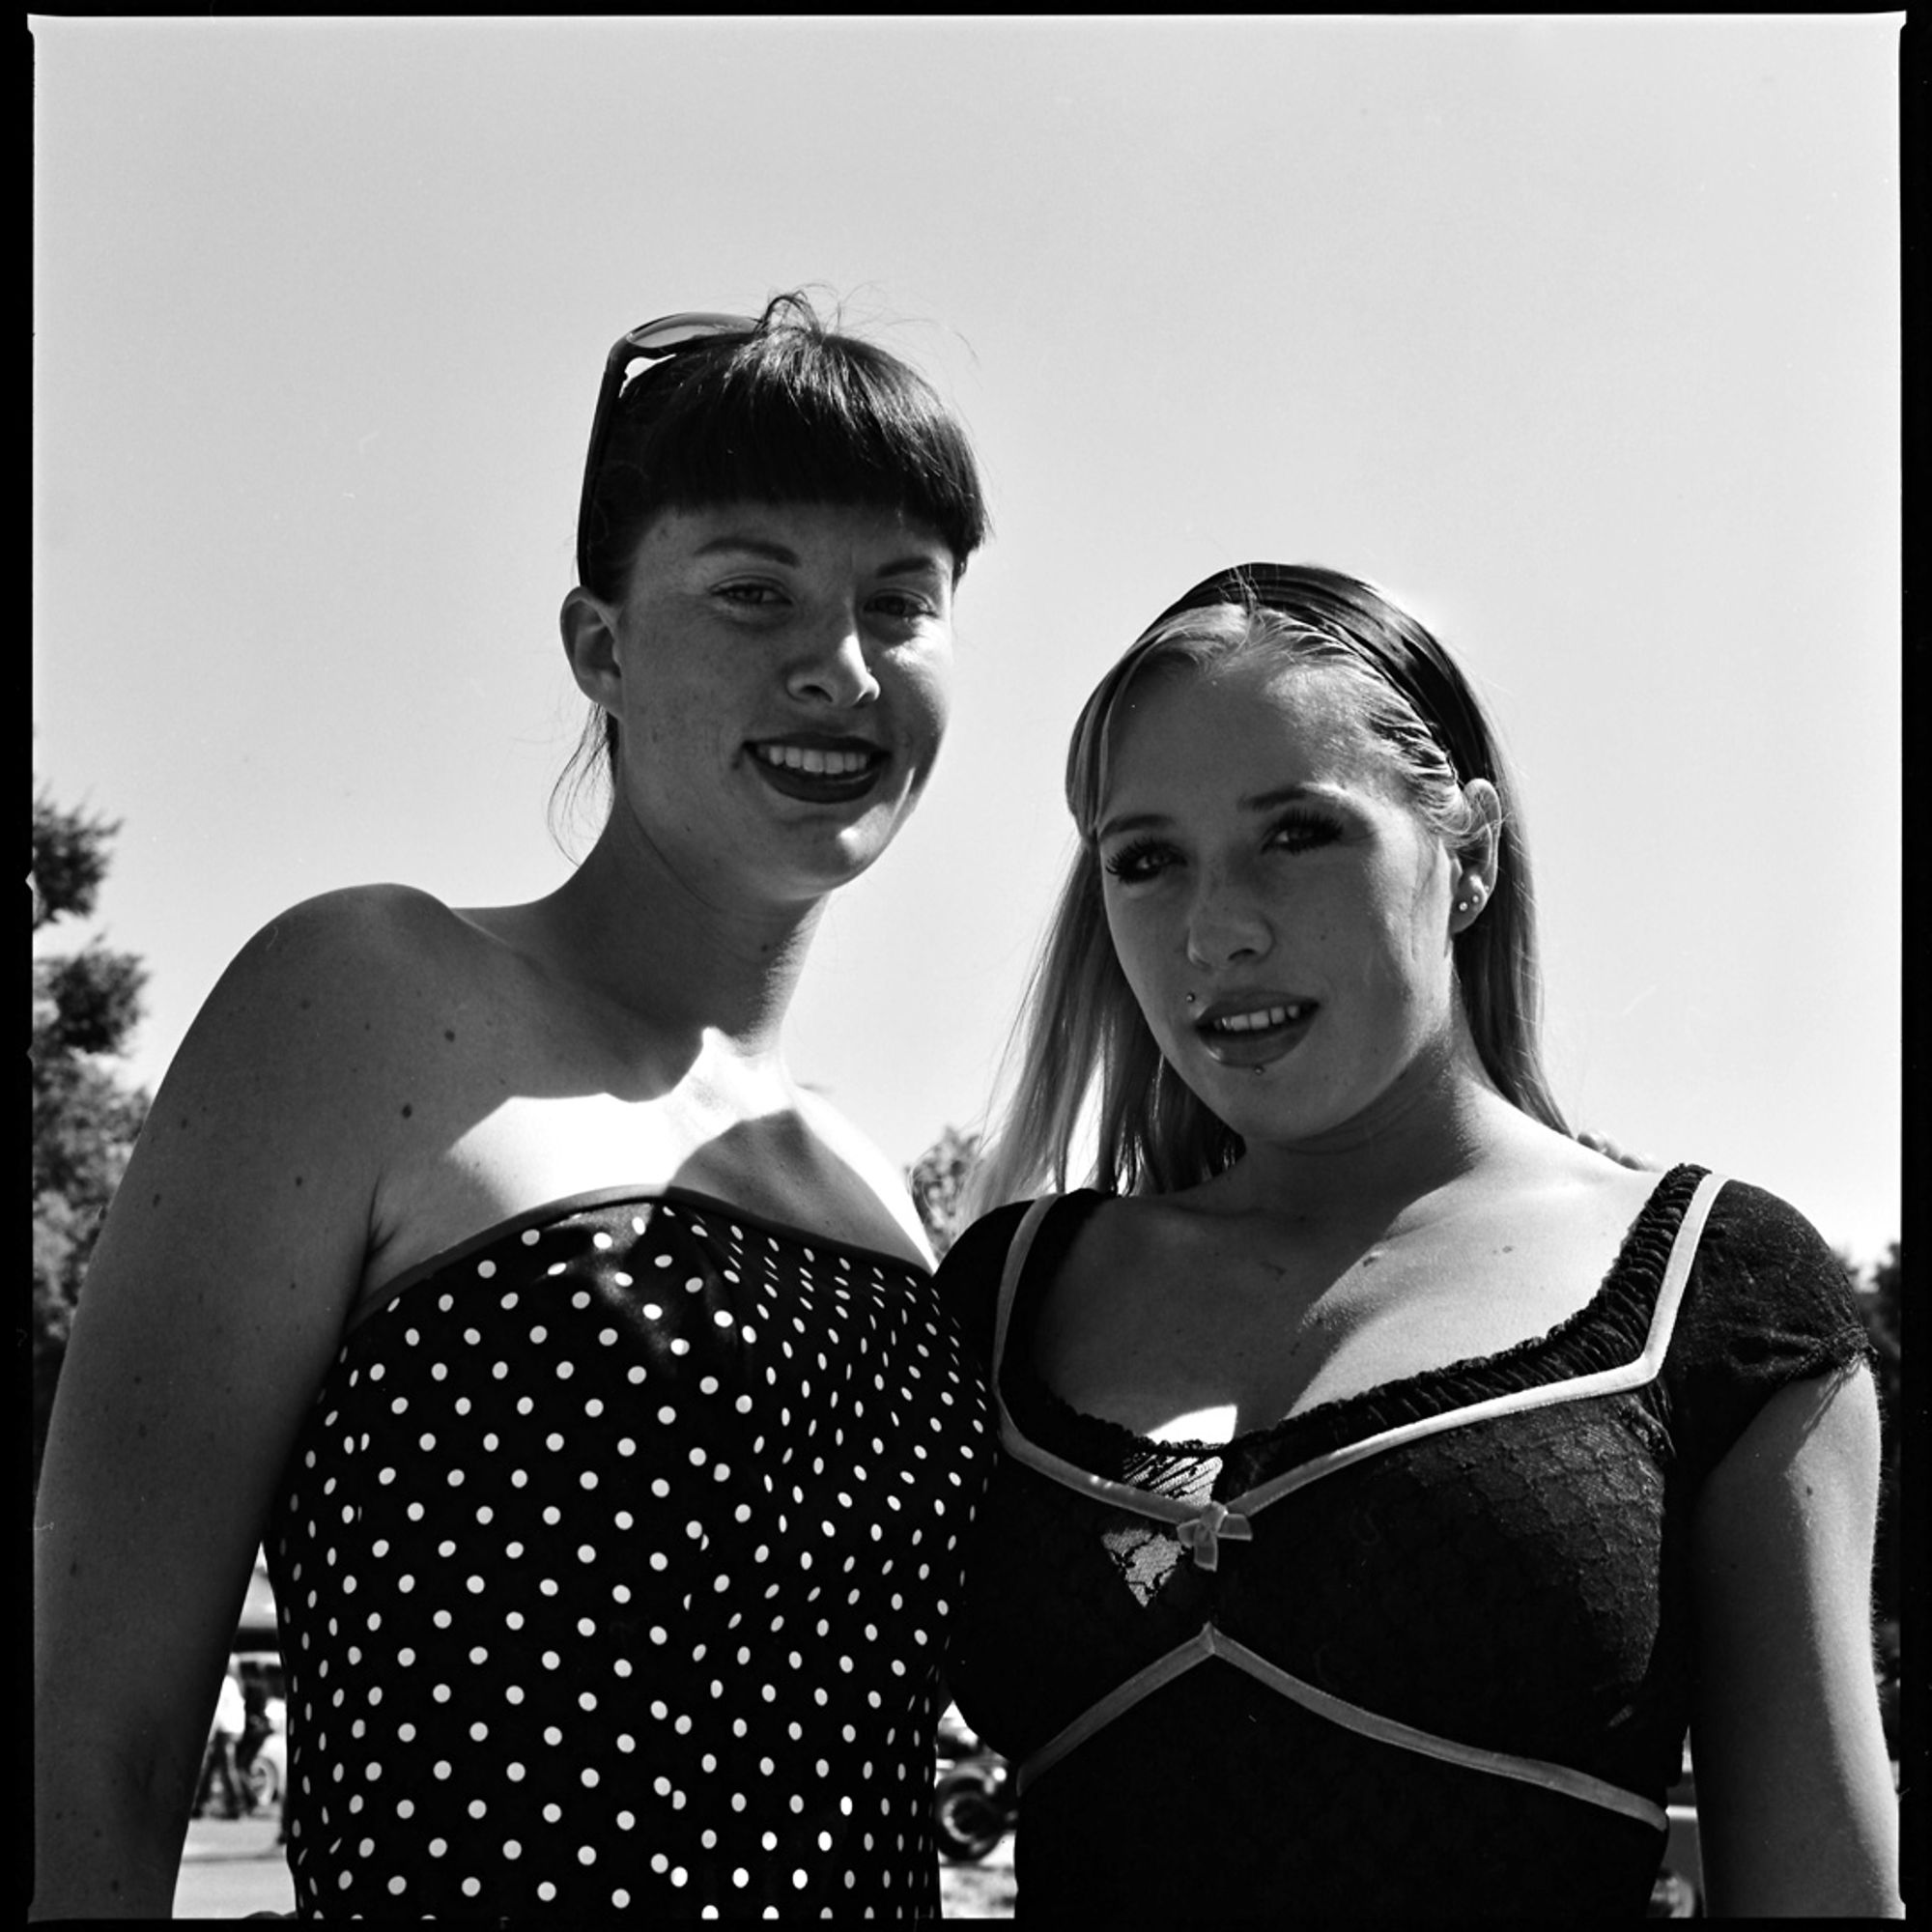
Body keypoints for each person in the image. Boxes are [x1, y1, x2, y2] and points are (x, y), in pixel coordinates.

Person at [32, 293, 997, 1920]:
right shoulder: (360, 998)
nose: (838, 666)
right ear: (599, 645)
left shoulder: (874, 1190)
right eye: (753, 592)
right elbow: (90, 1737)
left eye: (900, 605)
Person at [937, 563, 1901, 1918]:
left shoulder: (1722, 1295)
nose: (1217, 932)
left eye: (1298, 834)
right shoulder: (1002, 1294)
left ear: (1471, 854)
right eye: (1146, 860)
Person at [192, 1666, 248, 1821]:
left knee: (225, 1768)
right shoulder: (233, 1683)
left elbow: (216, 1711)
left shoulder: (224, 1684)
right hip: (231, 1729)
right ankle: (201, 1804)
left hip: (223, 1730)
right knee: (213, 1768)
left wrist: (209, 1734)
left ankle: (237, 1805)